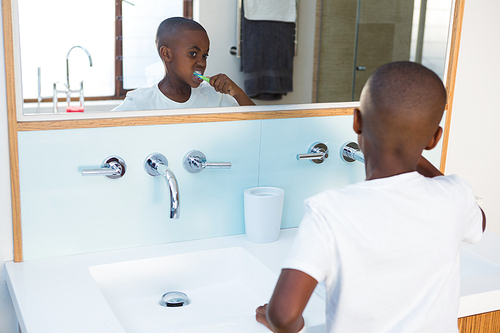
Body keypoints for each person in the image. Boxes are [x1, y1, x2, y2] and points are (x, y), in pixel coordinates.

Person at [255, 61, 486, 333]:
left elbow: (283, 315)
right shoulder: (455, 196)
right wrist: (413, 146)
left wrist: (285, 323)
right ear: (434, 139)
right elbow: (478, 222)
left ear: (357, 121)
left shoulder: (330, 211)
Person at [113, 17, 254, 111]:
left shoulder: (215, 97)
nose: (202, 62)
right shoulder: (139, 103)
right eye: (193, 54)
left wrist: (237, 92)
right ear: (166, 54)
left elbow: (259, 126)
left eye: (205, 55)